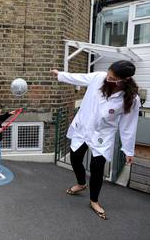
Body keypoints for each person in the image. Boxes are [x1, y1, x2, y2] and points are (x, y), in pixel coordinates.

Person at [51, 60, 140, 220]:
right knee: (75, 158)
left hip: (102, 134)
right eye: (108, 75)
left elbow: (128, 126)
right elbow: (80, 77)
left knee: (96, 168)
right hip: (83, 127)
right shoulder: (99, 78)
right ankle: (81, 183)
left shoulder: (131, 99)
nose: (108, 79)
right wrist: (61, 75)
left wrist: (128, 150)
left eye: (113, 78)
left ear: (124, 80)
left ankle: (94, 201)